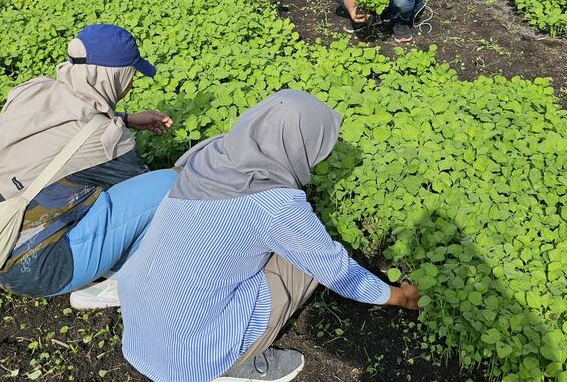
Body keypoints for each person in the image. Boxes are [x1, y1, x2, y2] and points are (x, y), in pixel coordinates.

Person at [119, 90, 422, 382]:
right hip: (187, 357)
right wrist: (399, 297)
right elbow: (336, 270)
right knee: (304, 262)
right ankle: (233, 364)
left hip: (137, 322)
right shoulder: (275, 206)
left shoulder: (211, 155)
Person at [0, 24, 177, 308]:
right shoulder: (108, 140)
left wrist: (125, 118)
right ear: (114, 77)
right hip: (41, 272)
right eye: (130, 75)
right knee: (169, 188)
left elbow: (70, 128)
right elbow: (145, 195)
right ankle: (120, 282)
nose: (131, 84)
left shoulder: (30, 91)